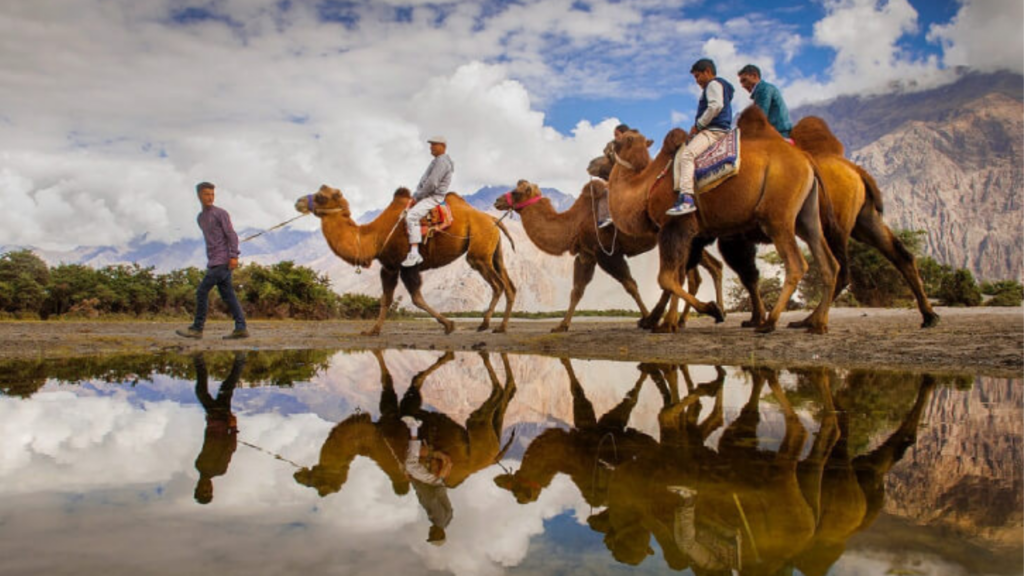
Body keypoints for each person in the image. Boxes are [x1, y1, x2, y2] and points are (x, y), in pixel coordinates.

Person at [176, 182, 249, 339]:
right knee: (228, 295)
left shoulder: (221, 213)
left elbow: (231, 235)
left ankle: (197, 328)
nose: (210, 197)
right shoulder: (201, 218)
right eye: (206, 194)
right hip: (214, 261)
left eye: (212, 194)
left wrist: (234, 256)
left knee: (202, 291)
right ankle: (241, 328)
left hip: (222, 261)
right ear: (199, 196)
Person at [667, 59, 735, 217]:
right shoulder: (724, 87)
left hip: (712, 131)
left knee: (687, 155)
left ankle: (686, 199)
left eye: (698, 76)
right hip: (723, 130)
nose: (697, 81)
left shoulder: (713, 84)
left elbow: (715, 106)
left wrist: (699, 124)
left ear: (708, 72)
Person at [193, 352, 247, 504]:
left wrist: (208, 422)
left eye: (202, 490)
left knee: (220, 388)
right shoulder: (219, 469)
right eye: (208, 490)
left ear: (196, 487)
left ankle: (200, 359)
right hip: (222, 419)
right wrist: (234, 427)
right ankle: (239, 360)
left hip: (212, 418)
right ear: (211, 488)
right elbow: (229, 448)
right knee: (224, 387)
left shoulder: (199, 465)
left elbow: (208, 441)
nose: (205, 487)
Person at [402, 136, 454, 267]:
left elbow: (432, 183)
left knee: (411, 216)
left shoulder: (442, 162)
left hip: (433, 197)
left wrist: (417, 197)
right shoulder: (438, 160)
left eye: (434, 145)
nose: (431, 147)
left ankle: (414, 254)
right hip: (428, 195)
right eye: (431, 144)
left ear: (443, 146)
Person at [401, 415, 453, 546]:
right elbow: (431, 498)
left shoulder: (444, 521)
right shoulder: (438, 519)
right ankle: (414, 428)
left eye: (430, 536)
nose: (429, 533)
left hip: (434, 484)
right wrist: (414, 480)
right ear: (439, 534)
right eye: (432, 536)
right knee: (410, 465)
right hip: (433, 482)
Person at [737, 64, 792, 138]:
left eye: (744, 80)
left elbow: (760, 115)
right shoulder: (765, 89)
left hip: (778, 131)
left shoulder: (763, 89)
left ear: (754, 76)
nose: (742, 85)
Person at [596, 123, 630, 229]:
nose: (615, 138)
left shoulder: (629, 152)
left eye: (617, 135)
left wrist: (610, 183)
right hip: (618, 180)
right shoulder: (615, 151)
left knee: (606, 192)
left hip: (627, 182)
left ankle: (607, 218)